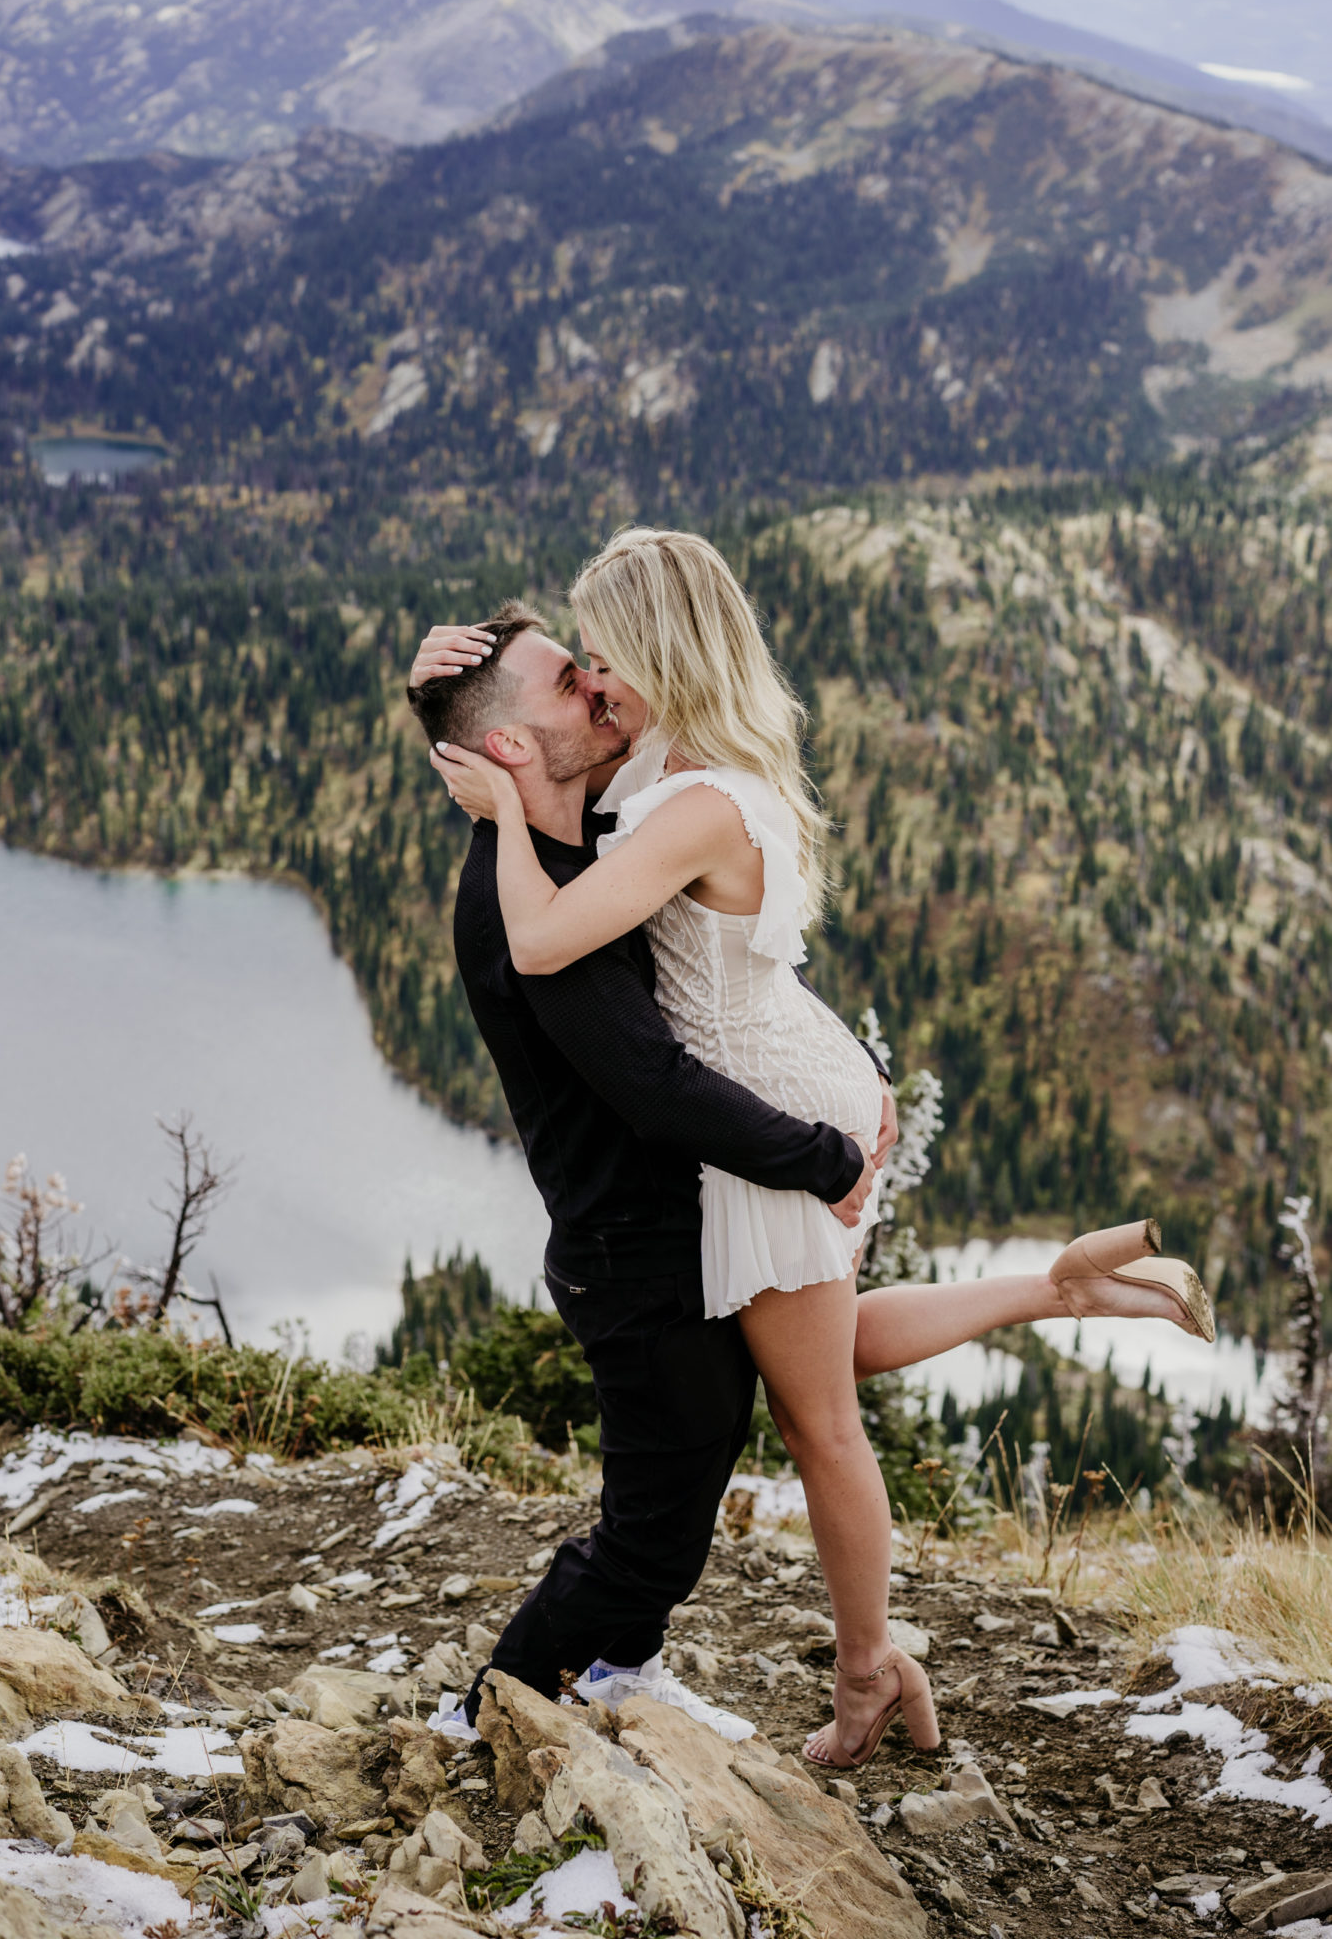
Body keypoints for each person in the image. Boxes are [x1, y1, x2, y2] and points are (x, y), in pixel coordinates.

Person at [421, 527, 1216, 1771]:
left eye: (600, 661)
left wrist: (499, 808)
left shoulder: (676, 796)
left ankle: (866, 1672)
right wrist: (438, 701)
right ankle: (1057, 1285)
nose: (592, 681)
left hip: (772, 1122)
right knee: (817, 1343)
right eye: (573, 668)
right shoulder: (693, 752)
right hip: (798, 1082)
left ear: (655, 657)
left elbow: (552, 938)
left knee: (819, 1420)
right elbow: (538, 753)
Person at [406, 599, 890, 1745]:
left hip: (675, 1233)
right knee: (650, 1537)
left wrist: (427, 667)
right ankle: (486, 1714)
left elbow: (540, 701)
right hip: (633, 1258)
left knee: (690, 1485)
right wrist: (822, 1157)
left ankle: (620, 1665)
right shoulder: (523, 896)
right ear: (515, 750)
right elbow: (658, 1085)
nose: (596, 685)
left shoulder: (585, 829)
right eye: (570, 682)